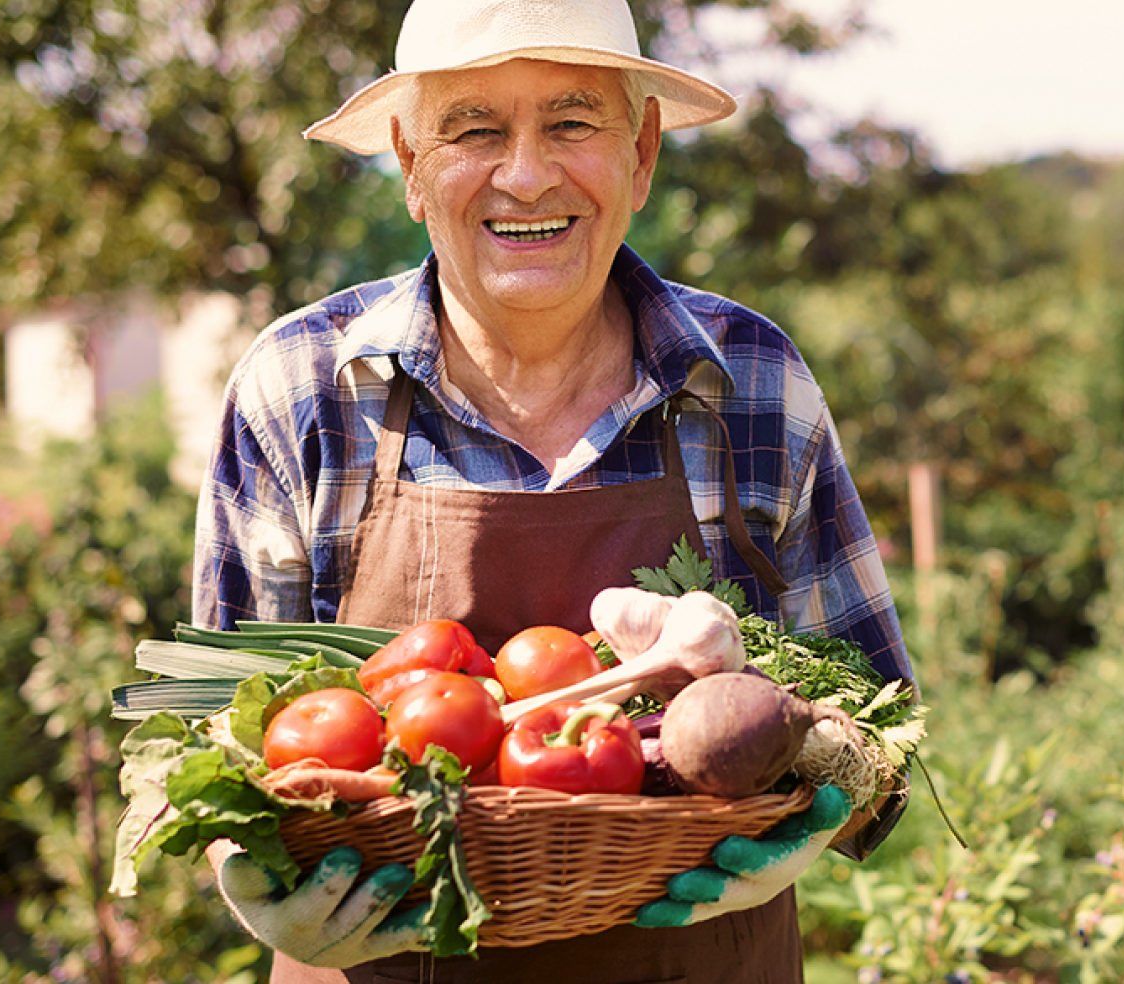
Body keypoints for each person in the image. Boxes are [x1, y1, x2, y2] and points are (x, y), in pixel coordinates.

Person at [191, 0, 914, 980]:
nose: (525, 175)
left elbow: (880, 729)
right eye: (473, 129)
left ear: (642, 154)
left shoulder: (754, 384)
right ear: (407, 162)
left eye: (571, 123)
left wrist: (822, 804)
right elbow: (214, 754)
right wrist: (250, 881)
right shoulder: (300, 391)